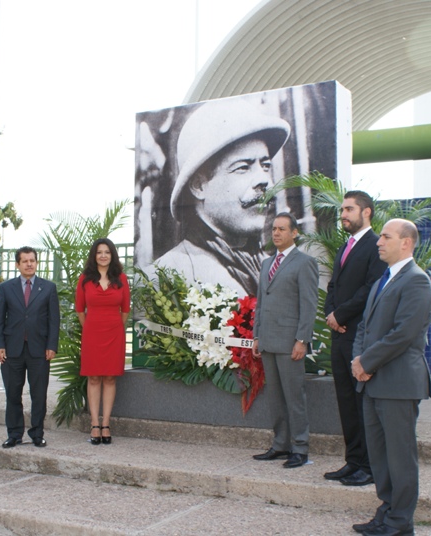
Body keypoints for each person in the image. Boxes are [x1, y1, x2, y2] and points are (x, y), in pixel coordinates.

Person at [152, 98, 291, 296]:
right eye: (243, 167)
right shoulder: (164, 277)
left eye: (266, 166)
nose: (264, 180)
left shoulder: (271, 266)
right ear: (199, 186)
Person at [351, 219, 431, 536]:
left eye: (386, 236)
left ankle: (401, 522)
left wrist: (367, 361)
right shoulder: (382, 281)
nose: (378, 241)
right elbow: (364, 328)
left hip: (398, 383)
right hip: (371, 382)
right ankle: (386, 512)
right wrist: (357, 361)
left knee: (400, 457)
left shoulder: (417, 281)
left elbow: (404, 335)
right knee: (380, 456)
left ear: (406, 243)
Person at [324, 191, 387, 487]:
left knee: (362, 404)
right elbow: (333, 285)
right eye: (342, 210)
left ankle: (370, 467)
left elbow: (370, 288)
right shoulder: (343, 247)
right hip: (339, 335)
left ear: (367, 212)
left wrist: (341, 315)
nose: (344, 215)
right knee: (345, 402)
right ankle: (353, 461)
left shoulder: (377, 246)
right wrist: (330, 314)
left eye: (349, 209)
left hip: (359, 336)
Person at [251, 212, 319, 468]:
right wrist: (257, 335)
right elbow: (261, 303)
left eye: (282, 229)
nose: (276, 233)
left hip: (290, 343)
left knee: (294, 397)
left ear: (294, 233)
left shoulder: (304, 263)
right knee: (276, 398)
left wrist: (302, 340)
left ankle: (300, 448)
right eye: (274, 229)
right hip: (268, 340)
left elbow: (308, 305)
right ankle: (280, 445)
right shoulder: (267, 263)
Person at [0, 246, 60, 448]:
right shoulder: (6, 288)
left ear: (36, 263)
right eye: (25, 261)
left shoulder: (48, 288)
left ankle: (37, 433)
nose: (29, 264)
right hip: (12, 350)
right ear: (18, 264)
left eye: (32, 260)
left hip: (39, 350)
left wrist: (51, 345)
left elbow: (54, 320)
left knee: (38, 394)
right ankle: (14, 434)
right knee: (12, 393)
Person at [75, 238, 131, 445]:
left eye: (107, 252)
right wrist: (90, 326)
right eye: (99, 252)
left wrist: (115, 326)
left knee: (109, 378)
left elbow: (125, 310)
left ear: (112, 255)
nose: (103, 255)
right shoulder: (84, 279)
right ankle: (94, 424)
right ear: (94, 255)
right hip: (92, 333)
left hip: (114, 333)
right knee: (93, 378)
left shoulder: (122, 279)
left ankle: (106, 423)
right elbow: (80, 309)